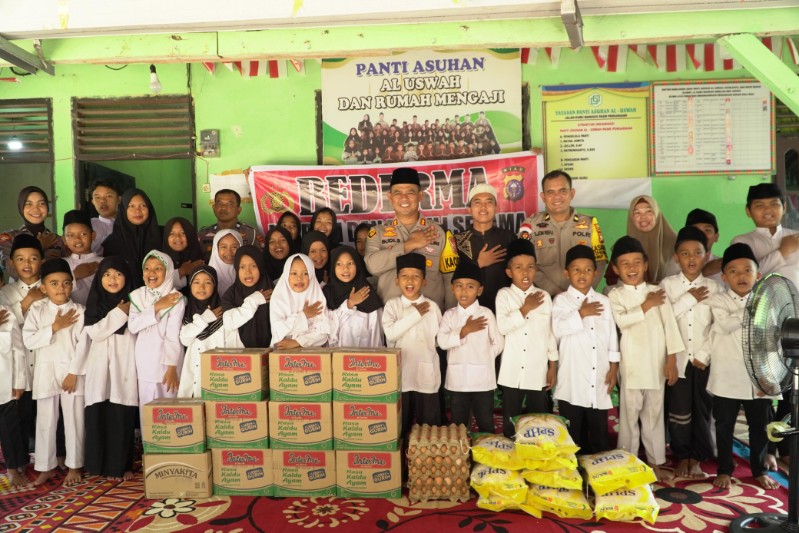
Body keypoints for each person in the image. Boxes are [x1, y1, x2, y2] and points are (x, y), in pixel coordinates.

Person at [697, 243, 780, 490]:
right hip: (726, 378)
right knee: (724, 427)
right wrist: (754, 310)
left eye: (747, 270)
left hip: (758, 379)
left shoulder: (770, 305)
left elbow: (773, 342)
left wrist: (771, 378)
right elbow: (723, 325)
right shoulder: (718, 301)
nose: (741, 275)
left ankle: (758, 470)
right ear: (724, 277)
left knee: (759, 428)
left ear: (758, 275)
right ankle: (724, 469)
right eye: (733, 271)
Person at [732, 183, 799, 469]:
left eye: (774, 204)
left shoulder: (795, 237)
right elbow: (744, 279)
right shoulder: (741, 242)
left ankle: (783, 446)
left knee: (792, 388)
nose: (767, 210)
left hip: (794, 322)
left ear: (784, 207)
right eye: (759, 206)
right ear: (749, 211)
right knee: (764, 387)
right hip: (761, 324)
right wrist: (781, 253)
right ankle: (765, 451)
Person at [608, 236, 684, 481]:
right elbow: (622, 321)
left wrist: (671, 360)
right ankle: (627, 460)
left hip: (656, 363)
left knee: (653, 414)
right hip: (630, 365)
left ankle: (654, 461)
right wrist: (645, 306)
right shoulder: (614, 295)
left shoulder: (656, 292)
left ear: (646, 264)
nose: (632, 268)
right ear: (615, 269)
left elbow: (670, 328)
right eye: (625, 263)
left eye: (637, 262)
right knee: (629, 415)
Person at [660, 226, 722, 479]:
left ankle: (697, 457)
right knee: (679, 412)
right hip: (677, 360)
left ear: (706, 255)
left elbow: (717, 326)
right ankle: (681, 455)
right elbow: (663, 320)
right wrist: (689, 299)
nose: (691, 258)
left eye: (697, 253)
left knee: (702, 410)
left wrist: (704, 354)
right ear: (676, 258)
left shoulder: (713, 287)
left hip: (702, 361)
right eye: (685, 254)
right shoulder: (668, 285)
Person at [23, 258, 85, 487]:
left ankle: (75, 465)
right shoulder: (38, 310)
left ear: (72, 285)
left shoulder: (79, 311)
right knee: (46, 421)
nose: (61, 288)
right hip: (46, 372)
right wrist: (54, 327)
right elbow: (29, 339)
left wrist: (74, 372)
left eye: (66, 283)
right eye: (54, 283)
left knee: (74, 420)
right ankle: (45, 467)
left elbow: (83, 345)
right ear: (43, 288)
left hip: (71, 373)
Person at [553, 244, 619, 454]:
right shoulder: (561, 301)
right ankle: (575, 476)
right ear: (567, 273)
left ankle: (598, 474)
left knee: (598, 431)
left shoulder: (603, 301)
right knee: (573, 435)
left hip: (597, 375)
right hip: (571, 377)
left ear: (595, 273)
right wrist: (581, 313)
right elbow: (557, 329)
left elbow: (611, 336)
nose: (582, 274)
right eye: (576, 269)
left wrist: (614, 367)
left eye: (588, 269)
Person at [365, 167, 458, 311]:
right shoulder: (377, 232)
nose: (404, 198)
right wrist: (408, 245)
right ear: (390, 197)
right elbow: (372, 267)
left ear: (420, 196)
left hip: (431, 317)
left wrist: (452, 315)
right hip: (391, 320)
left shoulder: (439, 232)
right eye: (398, 193)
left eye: (410, 192)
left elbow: (450, 279)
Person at [78, 256, 137, 480]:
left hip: (124, 366)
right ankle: (97, 464)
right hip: (99, 367)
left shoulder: (136, 303)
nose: (112, 279)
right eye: (107, 275)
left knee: (121, 415)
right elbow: (95, 332)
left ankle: (122, 465)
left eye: (118, 274)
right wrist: (119, 313)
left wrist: (124, 312)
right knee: (99, 412)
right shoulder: (94, 304)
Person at [496, 239, 557, 438]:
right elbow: (503, 327)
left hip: (537, 370)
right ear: (509, 272)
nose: (525, 272)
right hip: (511, 371)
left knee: (539, 421)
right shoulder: (503, 295)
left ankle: (538, 459)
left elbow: (550, 333)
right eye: (519, 267)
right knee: (510, 422)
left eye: (530, 267)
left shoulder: (544, 296)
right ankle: (511, 460)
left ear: (536, 270)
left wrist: (552, 366)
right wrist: (525, 308)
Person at [437, 260, 504, 433]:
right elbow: (442, 342)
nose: (464, 291)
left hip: (483, 381)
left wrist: (484, 359)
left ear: (479, 290)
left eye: (470, 286)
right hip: (457, 382)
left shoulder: (486, 314)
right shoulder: (449, 315)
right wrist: (463, 331)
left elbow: (498, 343)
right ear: (452, 288)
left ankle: (485, 458)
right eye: (459, 286)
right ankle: (462, 458)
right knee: (458, 426)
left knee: (485, 423)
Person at [518, 170, 607, 296]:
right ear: (543, 197)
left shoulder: (589, 224)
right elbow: (524, 263)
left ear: (572, 193)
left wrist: (583, 292)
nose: (557, 196)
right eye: (550, 192)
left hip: (583, 299)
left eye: (562, 191)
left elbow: (600, 262)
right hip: (542, 298)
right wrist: (555, 293)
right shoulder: (530, 225)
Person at [383, 253, 443, 434]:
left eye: (416, 276)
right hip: (401, 374)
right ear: (396, 281)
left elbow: (439, 342)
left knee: (430, 427)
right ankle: (401, 461)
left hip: (426, 372)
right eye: (404, 276)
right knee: (401, 425)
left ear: (424, 281)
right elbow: (391, 334)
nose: (410, 280)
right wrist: (415, 315)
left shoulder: (432, 307)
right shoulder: (392, 306)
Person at [0, 235, 46, 456]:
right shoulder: (5, 293)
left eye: (33, 258)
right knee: (22, 411)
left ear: (42, 261)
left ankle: (48, 453)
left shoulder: (51, 287)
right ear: (11, 263)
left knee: (46, 411)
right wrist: (28, 301)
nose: (27, 264)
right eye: (20, 259)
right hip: (19, 363)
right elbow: (6, 322)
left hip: (45, 360)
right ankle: (23, 455)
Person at [127, 250, 185, 415]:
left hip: (168, 364)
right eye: (147, 268)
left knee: (169, 410)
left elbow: (172, 336)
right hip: (145, 362)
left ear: (168, 272)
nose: (151, 273)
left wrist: (172, 367)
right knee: (147, 411)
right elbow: (133, 326)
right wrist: (157, 306)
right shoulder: (138, 296)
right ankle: (148, 442)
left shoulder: (176, 298)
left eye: (158, 268)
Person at [453, 183, 515, 312]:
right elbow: (452, 278)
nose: (483, 207)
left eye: (488, 202)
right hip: (469, 310)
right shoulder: (458, 240)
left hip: (504, 309)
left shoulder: (509, 238)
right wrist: (478, 263)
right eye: (477, 202)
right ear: (469, 209)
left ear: (496, 208)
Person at [606, 195, 677, 287]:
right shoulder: (624, 245)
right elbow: (611, 279)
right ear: (631, 217)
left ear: (657, 213)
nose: (643, 217)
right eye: (637, 213)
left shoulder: (677, 242)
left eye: (648, 211)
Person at [0, 186, 66, 281]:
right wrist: (39, 246)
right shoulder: (9, 238)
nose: (36, 209)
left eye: (41, 203)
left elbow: (64, 271)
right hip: (20, 294)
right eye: (29, 204)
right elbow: (13, 271)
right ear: (21, 207)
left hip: (51, 294)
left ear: (47, 207)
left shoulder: (56, 239)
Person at [178, 266, 226, 398]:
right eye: (196, 282)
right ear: (190, 285)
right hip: (192, 377)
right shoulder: (186, 311)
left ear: (215, 286)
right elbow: (185, 339)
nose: (202, 287)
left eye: (208, 282)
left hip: (217, 378)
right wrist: (205, 318)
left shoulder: (223, 312)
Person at [101, 189, 162, 289]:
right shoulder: (112, 243)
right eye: (131, 206)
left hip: (160, 296)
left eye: (143, 205)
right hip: (125, 300)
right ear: (124, 209)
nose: (137, 210)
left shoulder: (163, 236)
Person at [324, 246, 384, 348]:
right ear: (333, 267)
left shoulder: (367, 293)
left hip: (363, 361)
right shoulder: (327, 294)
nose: (345, 268)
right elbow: (326, 332)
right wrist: (349, 304)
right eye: (339, 264)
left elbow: (377, 338)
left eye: (350, 263)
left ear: (357, 265)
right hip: (333, 359)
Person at [269, 254, 329, 350]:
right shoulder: (279, 299)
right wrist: (303, 316)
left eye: (305, 273)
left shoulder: (317, 297)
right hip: (283, 355)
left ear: (311, 275)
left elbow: (323, 333)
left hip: (312, 356)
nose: (299, 278)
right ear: (286, 275)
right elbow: (278, 330)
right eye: (294, 273)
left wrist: (297, 342)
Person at [0, 289, 28, 486]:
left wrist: (19, 381)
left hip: (5, 384)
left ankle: (14, 467)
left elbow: (19, 350)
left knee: (10, 428)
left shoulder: (7, 314)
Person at [220, 246, 273, 349]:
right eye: (242, 267)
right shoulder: (231, 294)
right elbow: (229, 323)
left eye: (253, 266)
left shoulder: (272, 291)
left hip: (270, 356)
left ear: (260, 267)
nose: (248, 272)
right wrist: (253, 301)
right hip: (240, 359)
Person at [198, 189, 263, 261]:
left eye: (229, 204)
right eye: (219, 203)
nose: (223, 207)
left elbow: (259, 261)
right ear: (214, 208)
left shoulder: (251, 233)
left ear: (239, 210)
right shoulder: (203, 234)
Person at [62, 210, 100, 306]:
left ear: (93, 235)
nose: (77, 239)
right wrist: (74, 275)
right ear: (64, 239)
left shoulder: (104, 263)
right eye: (71, 235)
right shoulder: (60, 264)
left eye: (83, 234)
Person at [162, 217, 204, 292]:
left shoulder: (199, 261)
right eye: (172, 233)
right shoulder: (158, 260)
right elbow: (157, 286)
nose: (177, 237)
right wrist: (182, 271)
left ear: (190, 235)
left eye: (183, 233)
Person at [686, 208, 723, 285]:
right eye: (695, 230)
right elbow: (670, 292)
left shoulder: (723, 266)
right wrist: (704, 272)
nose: (701, 235)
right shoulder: (677, 262)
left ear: (716, 237)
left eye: (707, 230)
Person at [88, 179, 120, 255]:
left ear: (119, 199)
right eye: (97, 197)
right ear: (92, 202)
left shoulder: (129, 224)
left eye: (108, 196)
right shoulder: (88, 225)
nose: (102, 201)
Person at [207, 229, 242, 297]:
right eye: (224, 247)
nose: (229, 251)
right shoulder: (207, 276)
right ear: (216, 249)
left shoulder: (247, 272)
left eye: (234, 247)